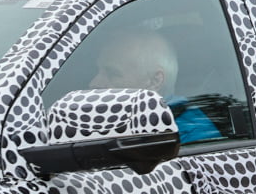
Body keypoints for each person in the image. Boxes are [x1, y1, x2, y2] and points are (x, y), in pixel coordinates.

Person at [87, 26, 228, 143]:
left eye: (113, 74)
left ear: (155, 81)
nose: (94, 83)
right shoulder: (137, 121)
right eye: (97, 71)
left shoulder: (190, 135)